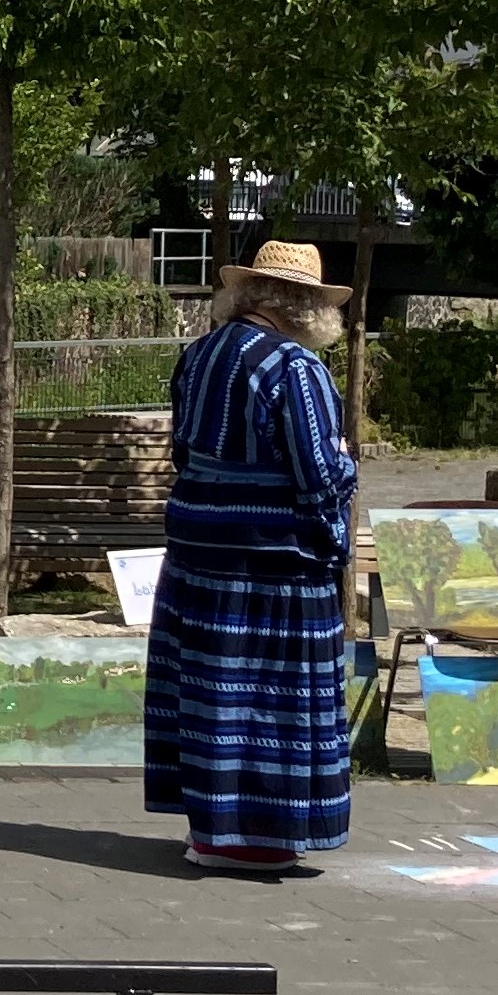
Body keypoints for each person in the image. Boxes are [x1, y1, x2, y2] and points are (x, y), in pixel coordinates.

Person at [143, 237, 359, 873]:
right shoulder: (295, 367)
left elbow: (185, 454)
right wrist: (345, 465)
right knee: (273, 700)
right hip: (273, 564)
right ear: (301, 305)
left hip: (196, 554)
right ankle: (258, 838)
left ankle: (211, 831)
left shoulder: (198, 355)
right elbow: (319, 474)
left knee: (209, 692)